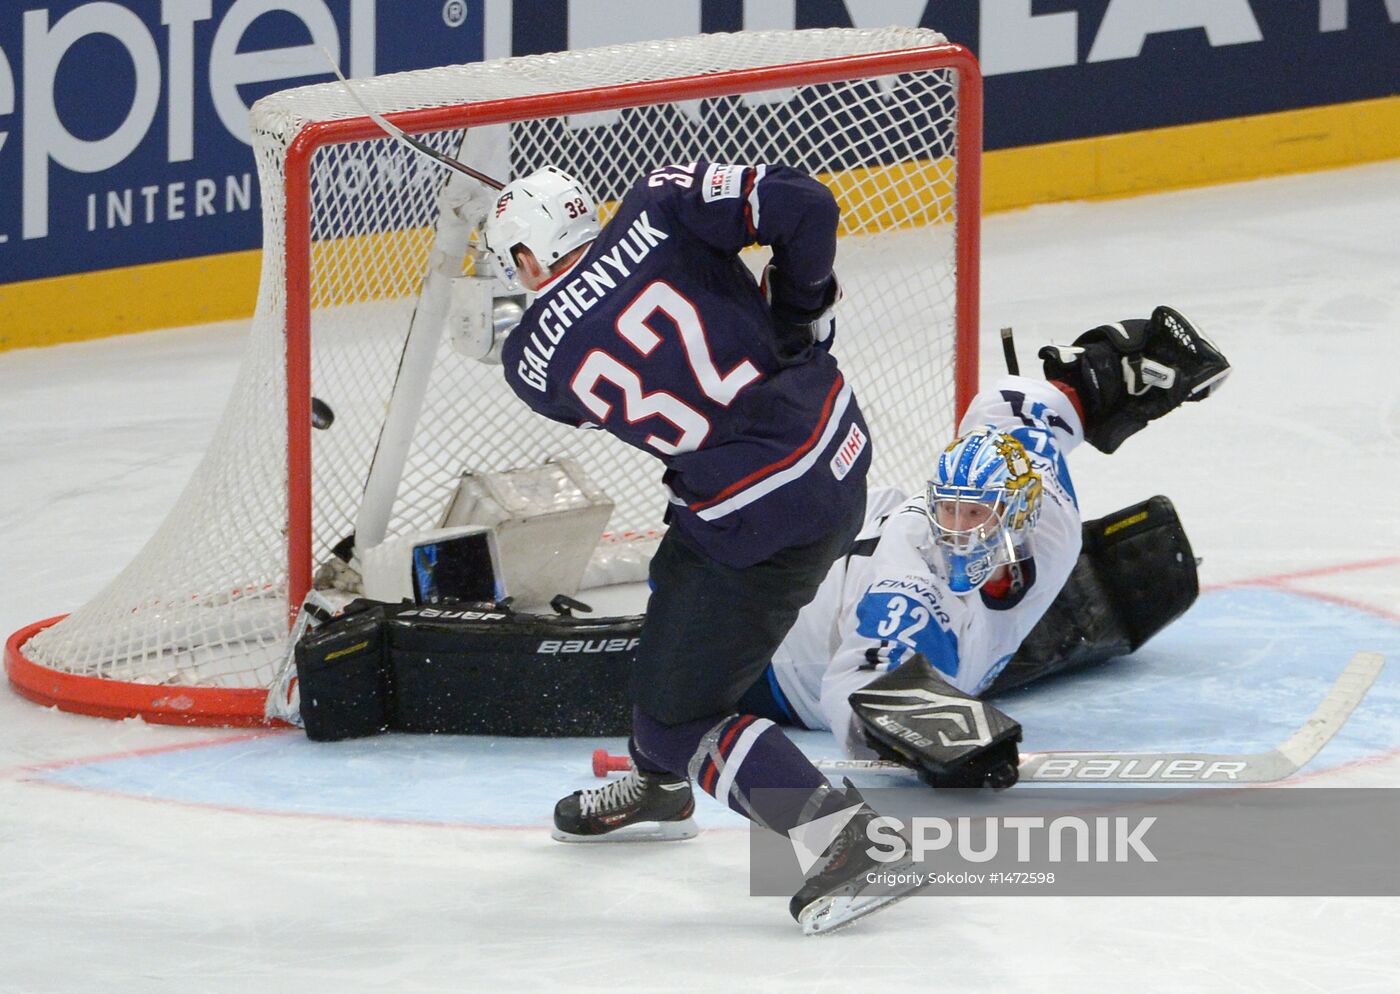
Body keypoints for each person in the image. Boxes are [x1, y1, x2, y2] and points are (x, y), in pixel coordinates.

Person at [482, 162, 909, 933]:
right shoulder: (660, 200)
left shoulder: (530, 365)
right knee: (675, 592)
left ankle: (838, 836)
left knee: (688, 714)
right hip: (837, 453)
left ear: (524, 260)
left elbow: (585, 346)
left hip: (755, 520)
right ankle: (660, 784)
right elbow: (807, 206)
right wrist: (798, 313)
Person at [737, 308, 1230, 760]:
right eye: (947, 510)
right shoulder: (912, 583)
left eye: (973, 514)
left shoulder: (1051, 516)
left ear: (1020, 515)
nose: (954, 532)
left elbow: (1019, 411)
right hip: (770, 659)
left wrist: (1111, 373)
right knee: (671, 689)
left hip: (825, 575)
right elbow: (862, 682)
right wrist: (935, 741)